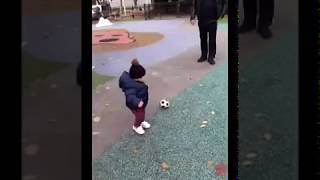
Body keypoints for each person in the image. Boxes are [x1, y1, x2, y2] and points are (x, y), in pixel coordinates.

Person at [119, 59, 151, 135]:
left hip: (140, 103)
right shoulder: (132, 86)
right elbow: (130, 96)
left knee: (142, 114)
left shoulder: (132, 81)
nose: (142, 78)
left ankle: (141, 121)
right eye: (141, 76)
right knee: (139, 115)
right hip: (135, 105)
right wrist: (137, 102)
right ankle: (136, 126)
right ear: (136, 77)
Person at [190, 0, 227, 65]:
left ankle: (211, 57)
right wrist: (192, 17)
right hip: (201, 19)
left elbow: (225, 2)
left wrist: (222, 13)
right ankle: (204, 55)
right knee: (203, 38)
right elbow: (193, 5)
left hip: (213, 19)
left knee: (212, 39)